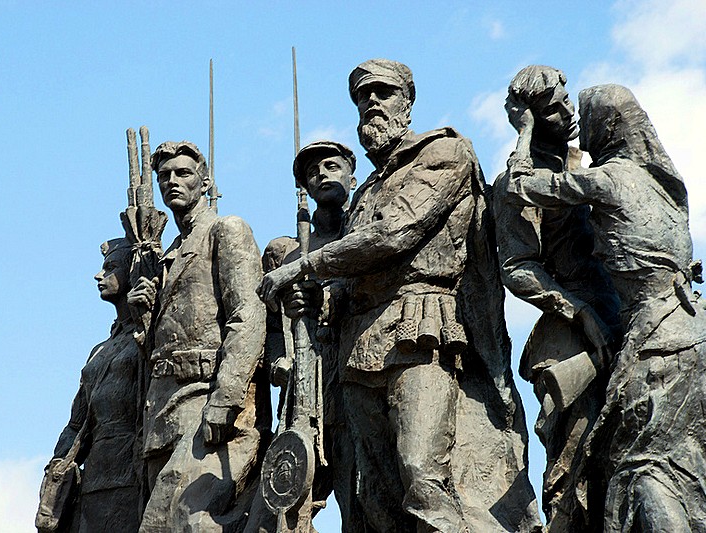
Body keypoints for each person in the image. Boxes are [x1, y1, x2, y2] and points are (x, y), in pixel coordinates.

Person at [260, 59, 541, 532]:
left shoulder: (444, 152)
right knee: (373, 496)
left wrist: (305, 265)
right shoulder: (365, 190)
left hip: (420, 328)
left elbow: (395, 233)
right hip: (357, 348)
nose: (371, 102)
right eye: (361, 97)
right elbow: (352, 279)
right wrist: (315, 302)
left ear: (407, 102)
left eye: (383, 93)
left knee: (422, 474)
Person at [506, 84, 706, 532]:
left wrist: (521, 132)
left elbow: (521, 183)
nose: (574, 118)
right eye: (554, 109)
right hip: (693, 330)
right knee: (690, 474)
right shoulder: (663, 182)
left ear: (608, 126)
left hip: (654, 342)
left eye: (581, 111)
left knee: (646, 471)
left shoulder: (608, 177)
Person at [492, 65, 622, 531]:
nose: (567, 112)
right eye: (550, 108)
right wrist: (577, 310)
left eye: (566, 99)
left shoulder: (584, 165)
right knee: (574, 463)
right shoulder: (513, 185)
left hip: (623, 314)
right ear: (526, 117)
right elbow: (516, 268)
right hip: (572, 334)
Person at [128, 141, 270, 532]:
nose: (172, 181)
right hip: (163, 410)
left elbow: (248, 317)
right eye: (164, 176)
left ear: (205, 182)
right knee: (157, 523)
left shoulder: (226, 230)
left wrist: (227, 398)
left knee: (186, 519)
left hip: (207, 396)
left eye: (183, 173)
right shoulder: (167, 254)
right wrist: (143, 317)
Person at [248, 140, 363, 532]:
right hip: (306, 380)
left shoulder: (362, 235)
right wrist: (281, 358)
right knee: (292, 494)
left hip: (354, 366)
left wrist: (325, 298)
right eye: (312, 172)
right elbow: (271, 324)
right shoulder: (290, 253)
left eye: (332, 166)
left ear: (353, 174)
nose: (322, 175)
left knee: (358, 488)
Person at [40, 238, 143, 532]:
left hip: (130, 475)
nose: (99, 275)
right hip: (94, 477)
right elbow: (76, 423)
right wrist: (57, 465)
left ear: (131, 274)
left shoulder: (146, 338)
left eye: (110, 268)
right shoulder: (99, 350)